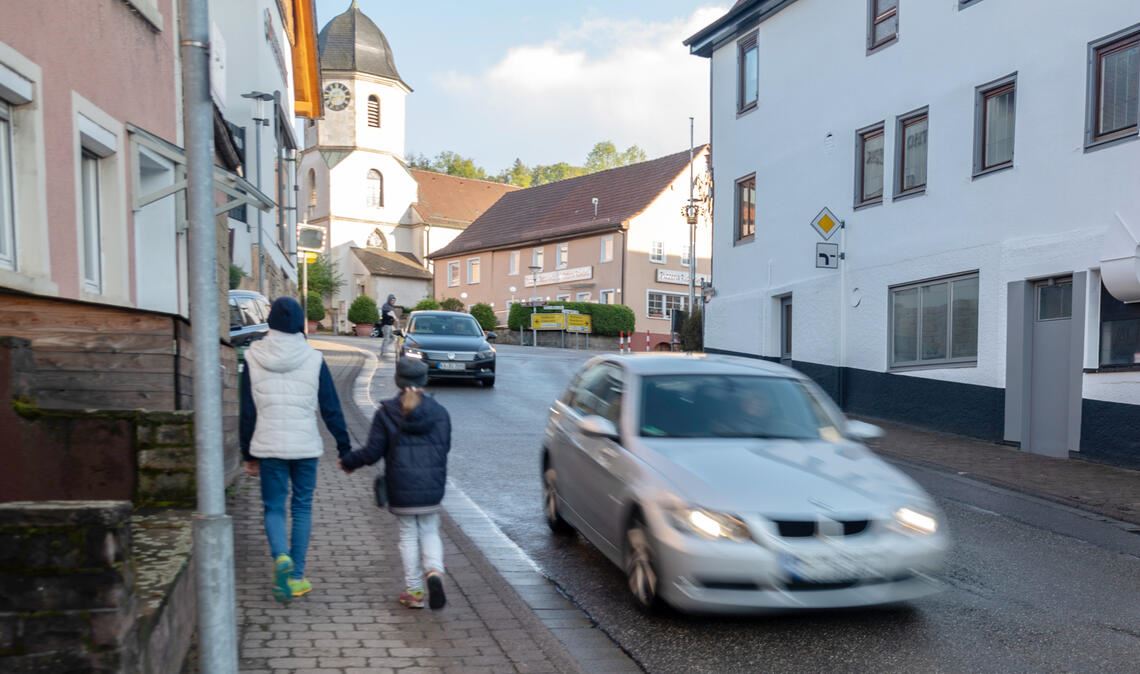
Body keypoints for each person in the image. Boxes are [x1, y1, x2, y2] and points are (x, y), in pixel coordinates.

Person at [240, 296, 352, 603]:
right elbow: (331, 408)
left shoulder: (253, 357)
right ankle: (297, 577)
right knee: (302, 507)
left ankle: (280, 557)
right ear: (300, 323)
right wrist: (344, 448)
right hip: (305, 446)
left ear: (271, 322)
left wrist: (247, 455)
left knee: (274, 507)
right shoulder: (313, 358)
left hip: (268, 445)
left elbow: (247, 411)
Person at [339, 357, 452, 609]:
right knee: (430, 530)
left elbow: (373, 451)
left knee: (408, 535)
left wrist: (348, 462)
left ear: (398, 381)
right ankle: (434, 572)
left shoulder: (386, 413)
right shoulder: (440, 413)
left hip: (401, 485)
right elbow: (444, 448)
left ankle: (414, 591)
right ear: (424, 380)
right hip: (432, 486)